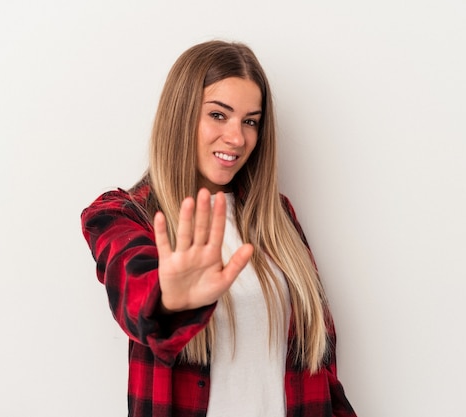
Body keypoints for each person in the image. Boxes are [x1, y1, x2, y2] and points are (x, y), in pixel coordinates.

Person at [81, 40, 358, 417]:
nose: (237, 138)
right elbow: (134, 286)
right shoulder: (123, 215)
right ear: (181, 115)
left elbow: (321, 371)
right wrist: (168, 299)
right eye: (218, 115)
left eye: (250, 121)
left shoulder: (276, 217)